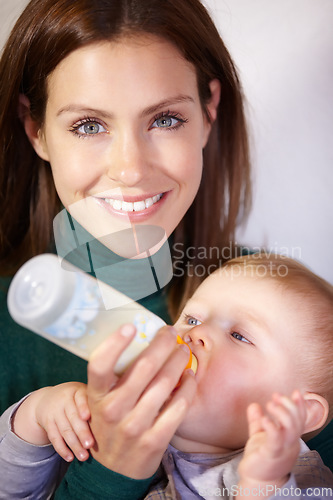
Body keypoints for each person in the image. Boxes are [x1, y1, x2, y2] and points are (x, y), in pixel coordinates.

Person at [0, 0, 251, 413]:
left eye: (165, 119)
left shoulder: (286, 312)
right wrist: (113, 470)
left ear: (208, 113)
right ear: (36, 130)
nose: (131, 170)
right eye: (89, 126)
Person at [1, 254, 332, 499]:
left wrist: (265, 486)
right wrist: (36, 417)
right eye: (191, 318)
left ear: (300, 411)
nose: (196, 332)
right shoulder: (116, 424)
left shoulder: (296, 472)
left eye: (239, 336)